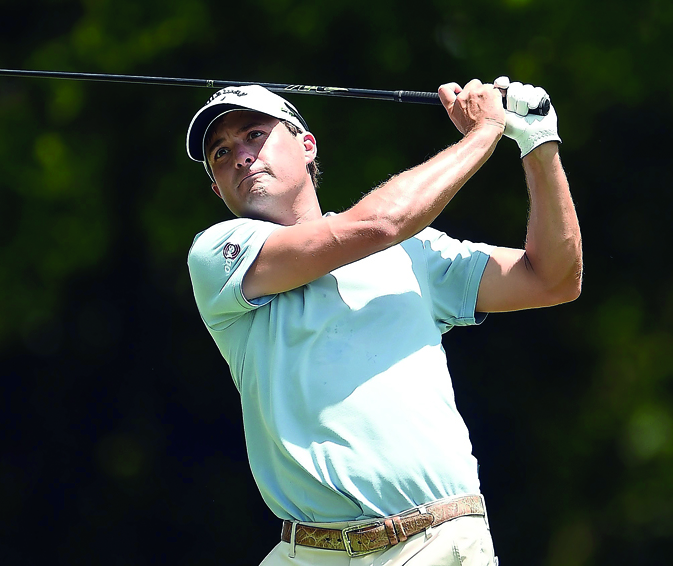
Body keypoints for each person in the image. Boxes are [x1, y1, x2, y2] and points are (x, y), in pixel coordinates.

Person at [185, 77, 582, 566]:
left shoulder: (415, 253)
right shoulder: (219, 256)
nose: (240, 156)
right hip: (310, 553)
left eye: (253, 135)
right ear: (215, 184)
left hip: (439, 544)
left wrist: (537, 144)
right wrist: (483, 135)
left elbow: (552, 279)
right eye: (220, 154)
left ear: (306, 146)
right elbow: (378, 225)